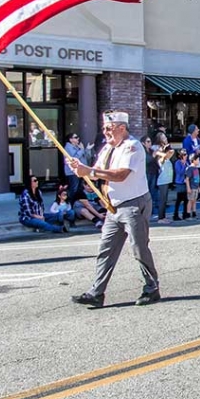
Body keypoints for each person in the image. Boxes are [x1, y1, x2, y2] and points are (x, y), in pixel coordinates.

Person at [68, 111, 160, 308]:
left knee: (139, 249)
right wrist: (80, 168)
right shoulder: (108, 149)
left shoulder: (133, 147)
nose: (105, 132)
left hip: (133, 204)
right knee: (105, 250)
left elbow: (120, 175)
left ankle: (152, 288)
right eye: (104, 128)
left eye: (109, 128)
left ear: (122, 128)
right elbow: (95, 172)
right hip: (113, 207)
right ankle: (96, 292)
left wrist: (90, 171)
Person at [152, 144, 174, 223]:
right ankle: (160, 218)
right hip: (162, 181)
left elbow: (172, 152)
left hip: (167, 181)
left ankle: (163, 217)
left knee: (164, 200)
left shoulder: (168, 159)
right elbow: (164, 155)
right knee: (162, 200)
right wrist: (163, 150)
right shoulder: (161, 159)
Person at [64, 133, 87, 201]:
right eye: (76, 137)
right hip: (72, 171)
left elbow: (84, 156)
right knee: (74, 188)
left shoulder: (78, 146)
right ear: (71, 139)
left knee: (80, 188)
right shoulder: (68, 147)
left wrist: (86, 149)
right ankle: (71, 203)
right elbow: (74, 158)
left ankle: (77, 202)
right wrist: (82, 150)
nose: (78, 139)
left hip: (80, 170)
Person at [172, 148, 190, 221]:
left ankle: (185, 214)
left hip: (185, 183)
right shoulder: (177, 163)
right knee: (179, 199)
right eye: (184, 155)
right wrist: (183, 164)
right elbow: (179, 172)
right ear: (180, 156)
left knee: (186, 199)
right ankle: (175, 214)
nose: (186, 156)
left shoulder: (187, 163)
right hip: (179, 183)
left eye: (186, 154)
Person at [184, 152, 200, 219]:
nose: (198, 161)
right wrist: (188, 188)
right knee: (190, 200)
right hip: (191, 187)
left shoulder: (196, 168)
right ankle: (188, 213)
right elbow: (187, 179)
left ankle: (194, 212)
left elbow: (197, 179)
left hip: (196, 187)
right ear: (193, 160)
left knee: (194, 200)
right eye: (197, 160)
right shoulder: (190, 169)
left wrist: (198, 187)